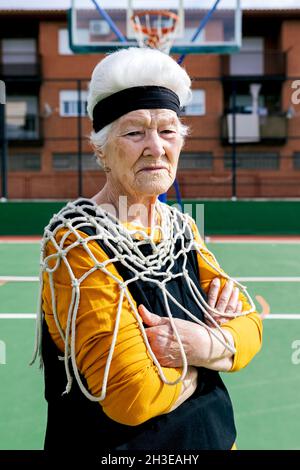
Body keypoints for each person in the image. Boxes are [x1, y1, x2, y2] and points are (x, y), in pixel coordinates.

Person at [33, 47, 263, 452]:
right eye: (135, 132)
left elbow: (250, 328)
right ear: (101, 150)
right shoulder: (76, 243)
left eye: (168, 130)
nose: (156, 147)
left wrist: (194, 346)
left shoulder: (182, 228)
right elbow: (132, 395)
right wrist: (215, 358)